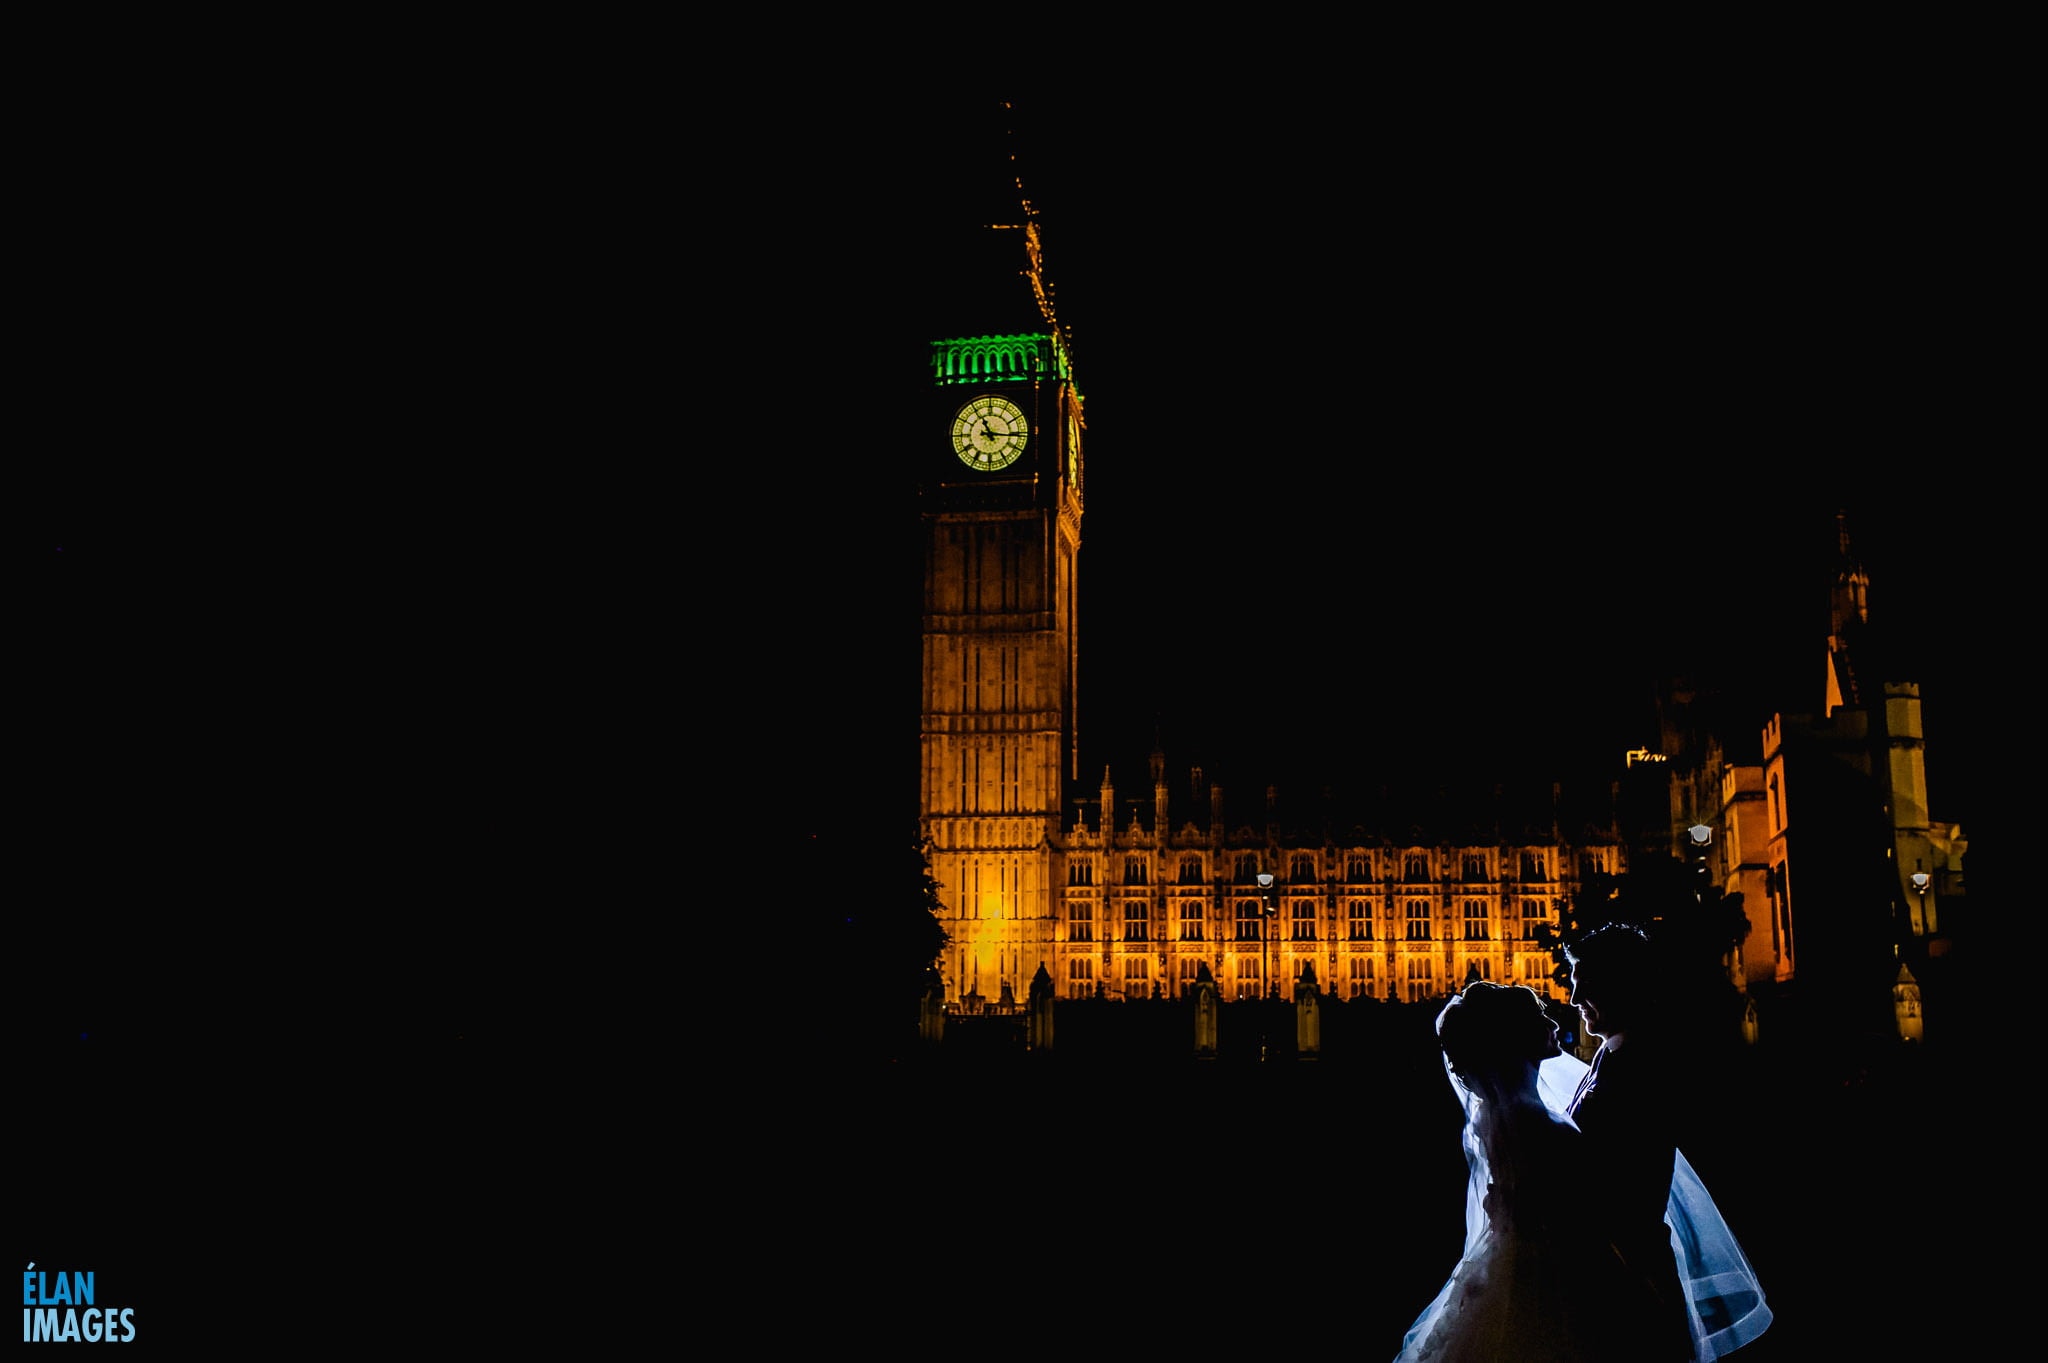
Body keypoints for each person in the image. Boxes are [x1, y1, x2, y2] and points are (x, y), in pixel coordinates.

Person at [1393, 973, 1771, 1362]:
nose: (1556, 1023)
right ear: (1515, 1037)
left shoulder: (1499, 1115)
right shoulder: (1535, 1123)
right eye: (1540, 1018)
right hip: (1565, 1281)